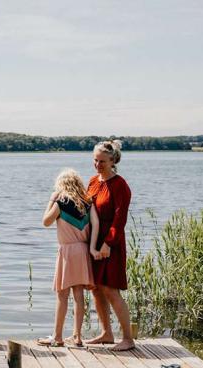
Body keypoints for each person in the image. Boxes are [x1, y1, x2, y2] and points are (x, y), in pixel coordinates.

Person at [86, 140, 135, 351]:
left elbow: (119, 218)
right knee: (96, 288)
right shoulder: (92, 182)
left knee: (110, 289)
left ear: (113, 160)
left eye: (102, 161)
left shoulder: (120, 185)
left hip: (111, 242)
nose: (97, 164)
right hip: (93, 240)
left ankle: (128, 339)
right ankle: (106, 333)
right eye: (95, 160)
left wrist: (108, 243)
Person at [38, 169, 95, 347]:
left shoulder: (61, 202)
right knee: (79, 295)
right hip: (83, 251)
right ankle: (77, 336)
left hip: (67, 251)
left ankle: (57, 336)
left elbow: (46, 222)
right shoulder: (87, 203)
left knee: (62, 295)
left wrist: (52, 199)